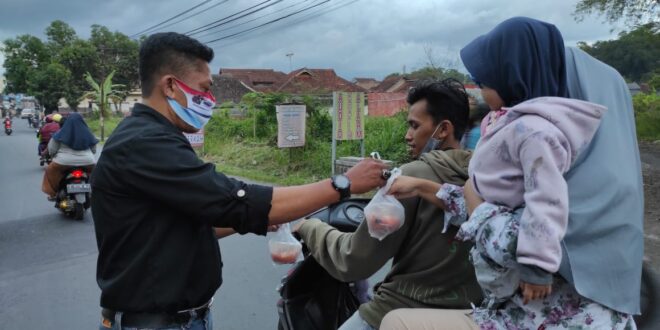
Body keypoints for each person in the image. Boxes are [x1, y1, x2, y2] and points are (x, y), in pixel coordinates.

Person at [91, 32, 387, 330]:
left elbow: (191, 219)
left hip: (182, 318)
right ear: (169, 85)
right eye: (204, 89)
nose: (210, 99)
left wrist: (258, 219)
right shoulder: (145, 143)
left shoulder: (158, 137)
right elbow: (233, 199)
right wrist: (342, 185)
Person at [381, 17, 640, 329]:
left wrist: (473, 199)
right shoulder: (594, 181)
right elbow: (501, 202)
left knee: (396, 322)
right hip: (515, 309)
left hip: (552, 318)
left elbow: (513, 240)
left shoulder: (539, 141)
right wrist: (426, 188)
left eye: (487, 82)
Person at [291, 79, 482, 330]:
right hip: (469, 314)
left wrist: (308, 226)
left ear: (443, 129)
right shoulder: (486, 178)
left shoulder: (412, 177)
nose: (407, 136)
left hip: (400, 309)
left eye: (414, 126)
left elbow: (353, 261)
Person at [41, 112, 97, 200]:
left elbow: (52, 149)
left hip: (63, 162)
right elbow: (94, 150)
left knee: (50, 171)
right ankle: (96, 191)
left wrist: (53, 156)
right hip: (88, 161)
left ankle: (53, 193)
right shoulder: (88, 133)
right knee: (96, 174)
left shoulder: (60, 133)